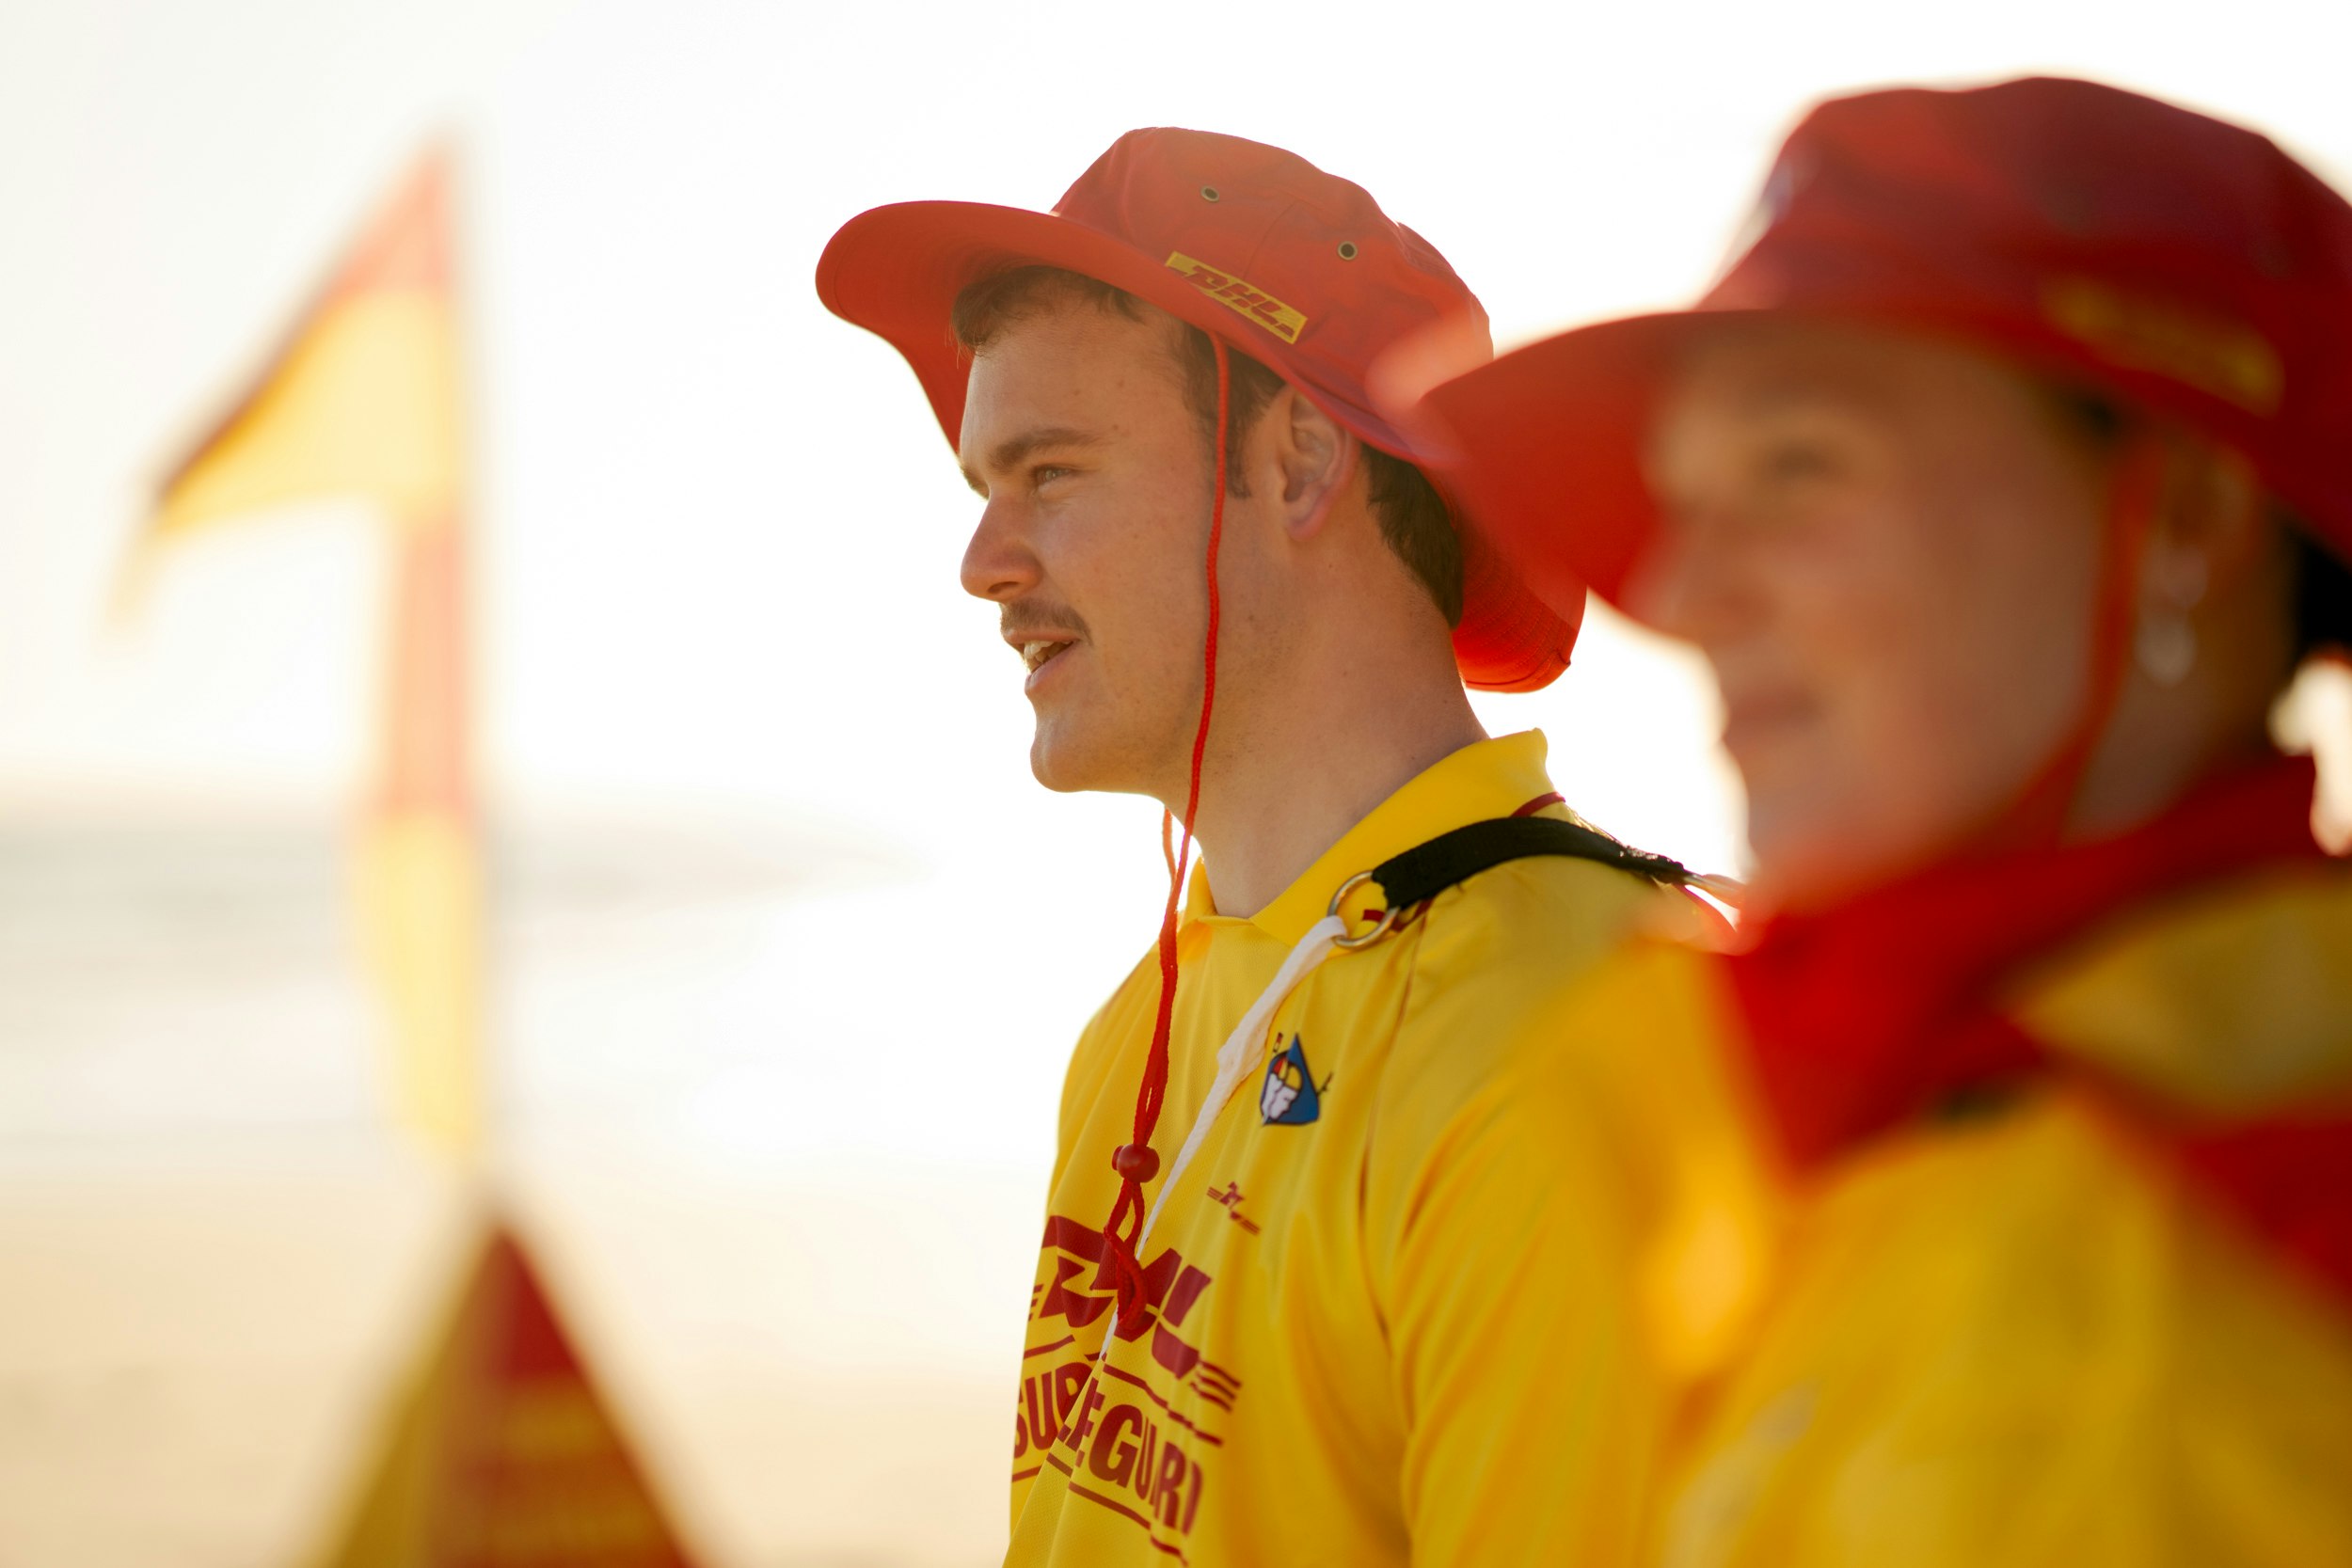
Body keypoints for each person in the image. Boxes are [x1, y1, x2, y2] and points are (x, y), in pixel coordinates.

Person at [1408, 75, 2352, 1564]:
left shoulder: (2198, 1300)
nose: (1694, 599)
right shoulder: (1879, 1113)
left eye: (1799, 471)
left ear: (2182, 519)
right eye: (1684, 504)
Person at [816, 130, 1720, 1565]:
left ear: (1299, 460)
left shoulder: (1567, 1031)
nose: (983, 562)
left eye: (1049, 472)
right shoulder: (1147, 1024)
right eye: (985, 488)